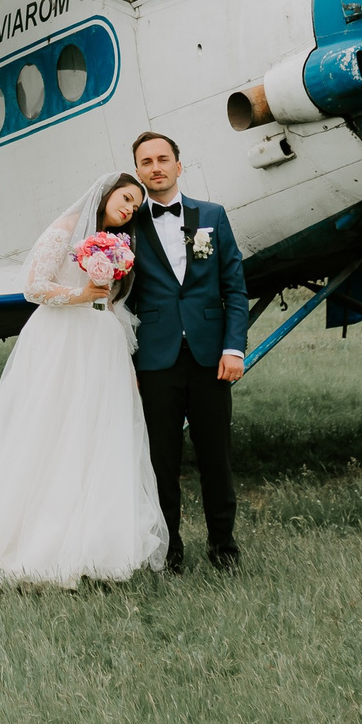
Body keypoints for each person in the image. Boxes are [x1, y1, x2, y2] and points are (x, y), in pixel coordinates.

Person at [0, 172, 169, 586]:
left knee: (91, 437)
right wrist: (80, 296)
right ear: (106, 193)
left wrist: (126, 368)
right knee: (45, 430)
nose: (128, 208)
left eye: (135, 206)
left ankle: (89, 545)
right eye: (125, 198)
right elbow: (34, 287)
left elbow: (112, 307)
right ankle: (24, 542)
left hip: (100, 348)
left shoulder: (121, 246)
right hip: (60, 340)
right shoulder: (64, 231)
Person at [124, 129, 248, 572]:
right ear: (137, 172)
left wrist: (234, 348)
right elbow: (120, 300)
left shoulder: (212, 215)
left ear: (179, 165)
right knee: (161, 462)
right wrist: (127, 361)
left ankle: (224, 549)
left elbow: (234, 288)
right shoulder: (129, 227)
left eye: (162, 159)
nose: (155, 168)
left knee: (216, 456)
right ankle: (168, 551)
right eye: (146, 162)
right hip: (154, 361)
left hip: (211, 357)